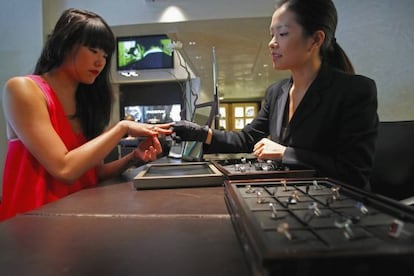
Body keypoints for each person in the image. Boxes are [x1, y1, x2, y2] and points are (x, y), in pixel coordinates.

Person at [173, 0, 379, 191]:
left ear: (315, 39)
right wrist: (199, 133)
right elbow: (246, 138)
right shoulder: (276, 92)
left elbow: (354, 174)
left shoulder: (355, 91)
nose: (272, 43)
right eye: (272, 34)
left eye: (282, 34)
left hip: (335, 208)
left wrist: (285, 153)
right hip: (287, 196)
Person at [0, 8, 172, 221]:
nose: (100, 62)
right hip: (30, 226)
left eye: (105, 55)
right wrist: (122, 128)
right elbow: (64, 169)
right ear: (64, 44)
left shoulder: (86, 103)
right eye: (93, 50)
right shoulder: (23, 89)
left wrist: (133, 158)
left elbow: (94, 173)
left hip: (76, 223)